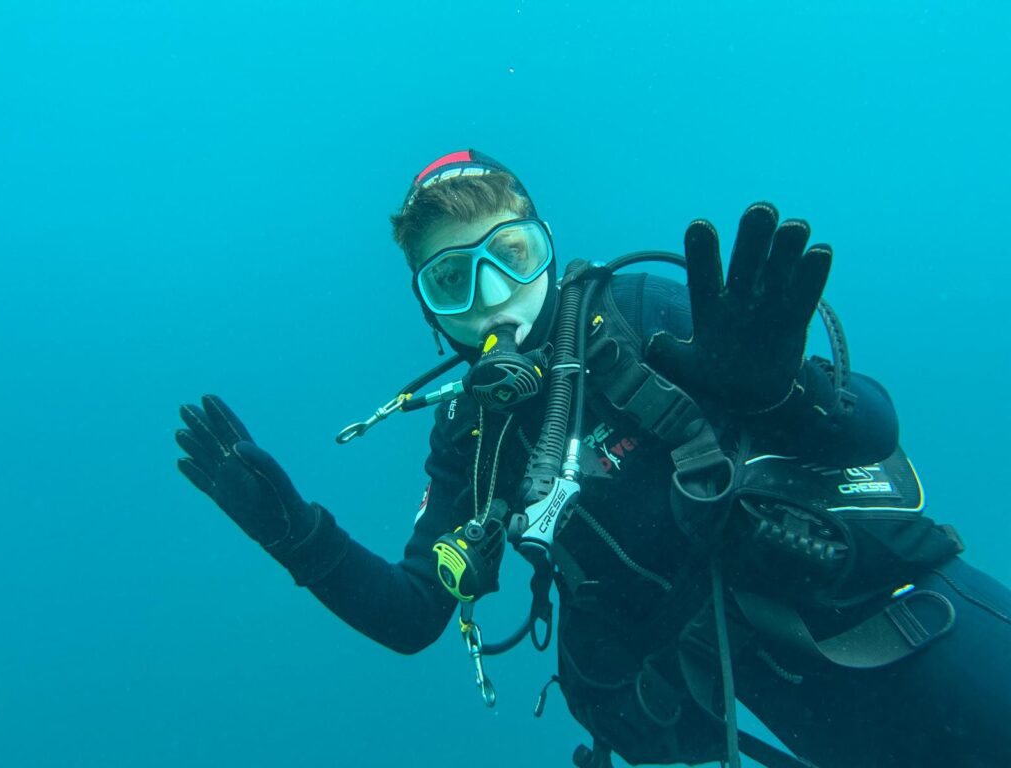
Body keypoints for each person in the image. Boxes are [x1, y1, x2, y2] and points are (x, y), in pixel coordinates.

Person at [176, 150, 1011, 768]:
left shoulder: (640, 311)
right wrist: (297, 537)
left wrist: (780, 393)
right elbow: (411, 614)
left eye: (510, 255)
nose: (495, 295)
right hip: (777, 696)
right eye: (454, 282)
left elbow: (869, 428)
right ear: (431, 312)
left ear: (546, 244)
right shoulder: (473, 443)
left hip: (905, 615)